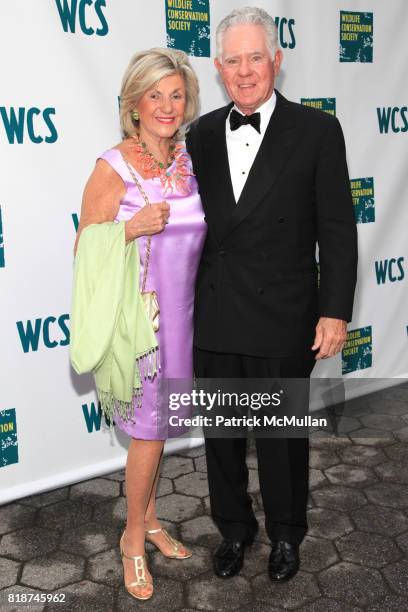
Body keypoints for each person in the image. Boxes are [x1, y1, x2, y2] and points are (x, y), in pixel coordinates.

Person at [186, 7, 358, 582]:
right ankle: (234, 529)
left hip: (284, 313)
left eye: (254, 56)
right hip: (216, 311)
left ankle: (287, 534)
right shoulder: (201, 134)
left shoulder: (316, 130)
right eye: (232, 60)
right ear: (218, 69)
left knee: (283, 438)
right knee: (223, 435)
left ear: (276, 60)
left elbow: (336, 227)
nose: (244, 70)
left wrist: (334, 310)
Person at [74, 48, 206, 601]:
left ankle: (151, 520)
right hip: (143, 327)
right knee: (149, 433)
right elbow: (85, 245)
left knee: (159, 431)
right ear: (133, 104)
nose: (167, 106)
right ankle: (131, 539)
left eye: (176, 95)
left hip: (187, 320)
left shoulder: (188, 159)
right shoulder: (113, 165)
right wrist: (130, 229)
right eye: (155, 95)